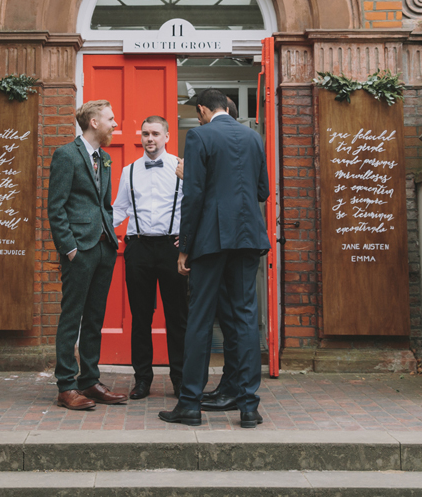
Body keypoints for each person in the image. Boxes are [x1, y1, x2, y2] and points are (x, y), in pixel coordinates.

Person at [160, 88, 270, 429]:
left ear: (204, 110)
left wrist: (184, 247)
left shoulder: (200, 136)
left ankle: (190, 404)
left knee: (200, 318)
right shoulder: (254, 139)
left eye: (199, 114)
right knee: (245, 318)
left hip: (210, 238)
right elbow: (263, 191)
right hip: (249, 237)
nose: (199, 119)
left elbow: (193, 196)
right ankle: (248, 406)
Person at [47, 100, 129, 411]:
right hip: (78, 250)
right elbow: (56, 207)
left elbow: (104, 204)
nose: (115, 124)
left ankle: (89, 381)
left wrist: (111, 237)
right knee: (72, 318)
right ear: (94, 122)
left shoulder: (105, 158)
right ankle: (66, 386)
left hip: (105, 247)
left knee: (95, 318)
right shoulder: (66, 155)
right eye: (110, 119)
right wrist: (69, 249)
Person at [112, 115, 187, 400]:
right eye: (145, 134)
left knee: (178, 317)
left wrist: (187, 241)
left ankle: (179, 378)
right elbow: (119, 210)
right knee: (140, 317)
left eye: (155, 133)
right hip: (139, 248)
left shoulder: (181, 168)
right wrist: (96, 229)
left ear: (167, 136)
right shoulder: (130, 170)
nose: (150, 139)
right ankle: (142, 379)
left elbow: (191, 205)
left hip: (172, 248)